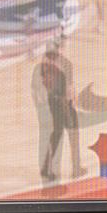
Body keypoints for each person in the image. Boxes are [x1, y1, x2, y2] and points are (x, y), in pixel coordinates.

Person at [34, 40, 79, 184]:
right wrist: (70, 105)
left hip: (53, 102)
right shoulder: (64, 65)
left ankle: (46, 169)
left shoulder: (44, 65)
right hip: (63, 103)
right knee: (72, 133)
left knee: (57, 135)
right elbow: (67, 89)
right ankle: (75, 168)